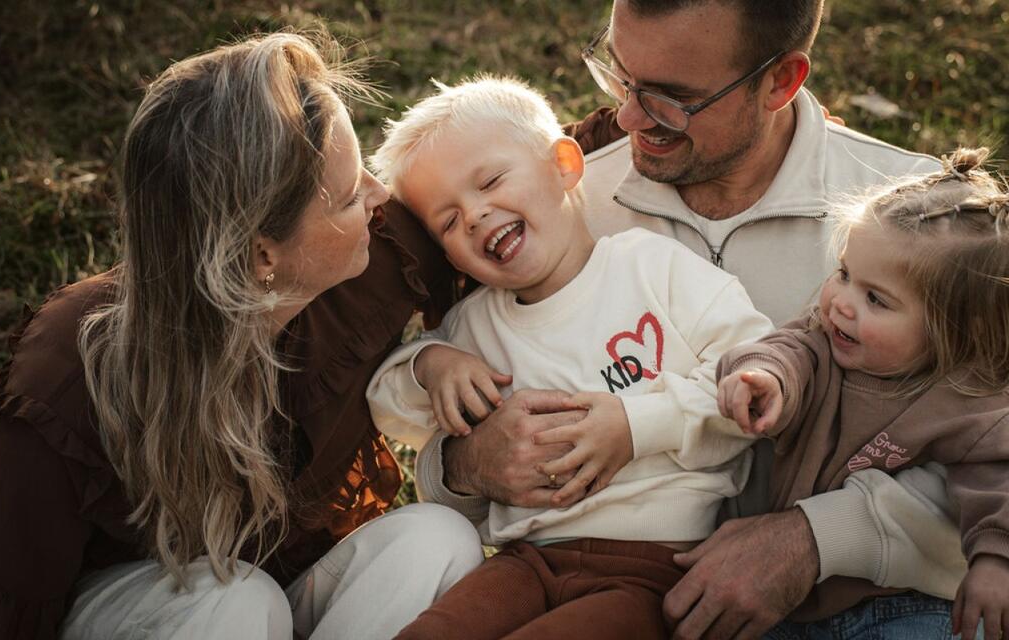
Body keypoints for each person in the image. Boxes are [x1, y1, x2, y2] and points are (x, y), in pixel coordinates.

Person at [411, 1, 969, 638]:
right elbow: (447, 403)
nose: (625, 117)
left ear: (780, 82)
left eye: (671, 97)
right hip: (624, 599)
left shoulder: (913, 219)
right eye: (620, 78)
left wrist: (815, 540)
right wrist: (465, 465)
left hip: (880, 605)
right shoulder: (550, 214)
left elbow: (986, 450)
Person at [0, 32, 483, 640]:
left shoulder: (380, 255)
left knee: (437, 539)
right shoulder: (71, 372)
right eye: (352, 195)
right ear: (260, 255)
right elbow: (13, 599)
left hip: (284, 590)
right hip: (163, 617)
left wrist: (631, 108)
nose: (380, 198)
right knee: (236, 603)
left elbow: (529, 175)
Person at [366, 75, 774, 639]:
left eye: (489, 182)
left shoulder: (652, 267)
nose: (477, 215)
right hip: (525, 561)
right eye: (450, 221)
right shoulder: (473, 327)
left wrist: (636, 426)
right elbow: (388, 409)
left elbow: (752, 379)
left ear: (563, 164)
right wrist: (427, 365)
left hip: (654, 569)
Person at [715, 148, 1009, 640]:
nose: (841, 304)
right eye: (845, 273)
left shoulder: (971, 401)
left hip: (907, 605)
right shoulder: (826, 345)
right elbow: (787, 352)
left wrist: (995, 561)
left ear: (951, 331)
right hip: (793, 603)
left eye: (876, 299)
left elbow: (999, 481)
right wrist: (762, 377)